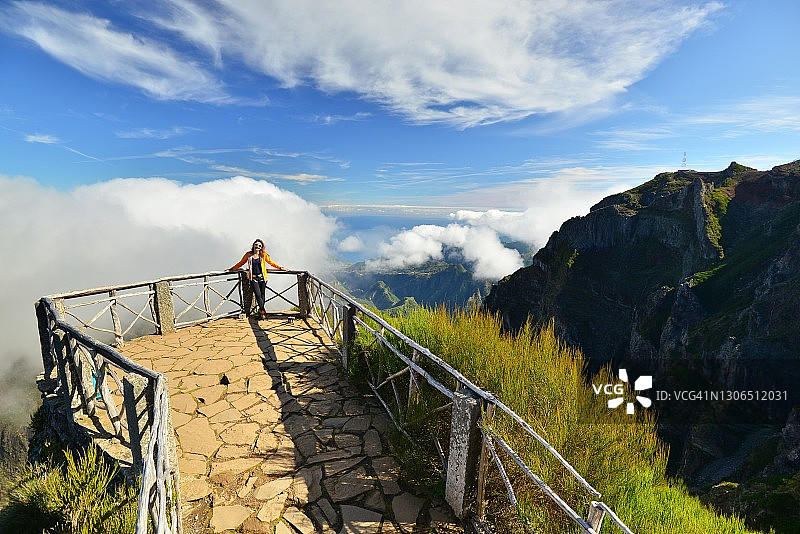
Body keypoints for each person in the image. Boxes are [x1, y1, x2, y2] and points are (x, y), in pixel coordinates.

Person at [229, 239, 285, 319]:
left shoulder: (263, 255)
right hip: (253, 278)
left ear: (261, 247)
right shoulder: (248, 255)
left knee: (262, 295)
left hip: (262, 277)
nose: (257, 247)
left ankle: (260, 313)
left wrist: (280, 267)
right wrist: (232, 269)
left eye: (259, 245)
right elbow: (241, 263)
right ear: (253, 245)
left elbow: (271, 262)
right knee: (258, 295)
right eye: (256, 245)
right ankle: (262, 311)